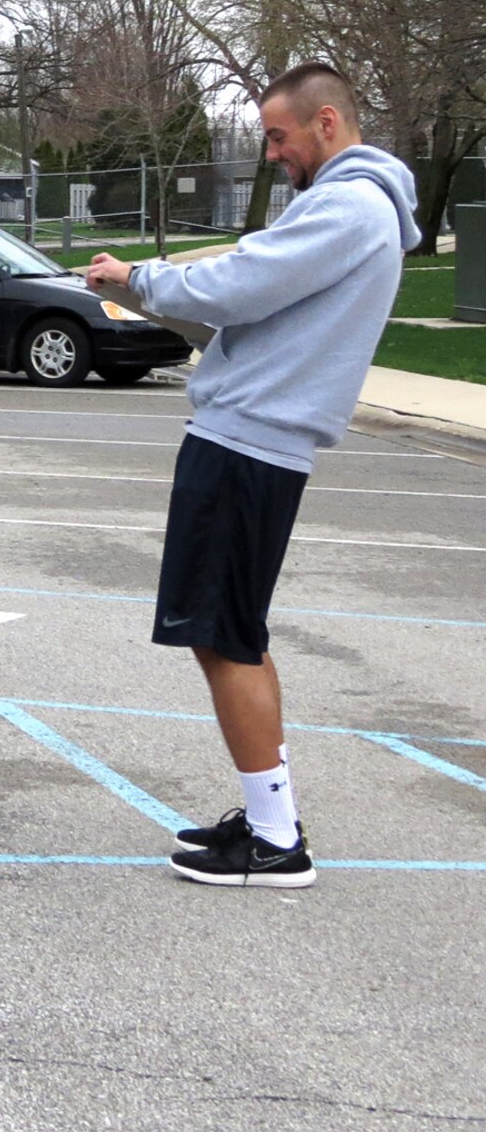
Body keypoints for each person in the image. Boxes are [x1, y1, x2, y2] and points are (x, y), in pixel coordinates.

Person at [85, 62, 419, 889]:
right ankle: (271, 820)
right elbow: (258, 304)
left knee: (223, 637)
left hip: (248, 446)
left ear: (328, 123)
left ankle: (275, 840)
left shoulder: (349, 204)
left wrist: (139, 278)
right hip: (254, 441)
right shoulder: (352, 207)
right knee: (234, 633)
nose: (272, 152)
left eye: (278, 136)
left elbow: (243, 281)